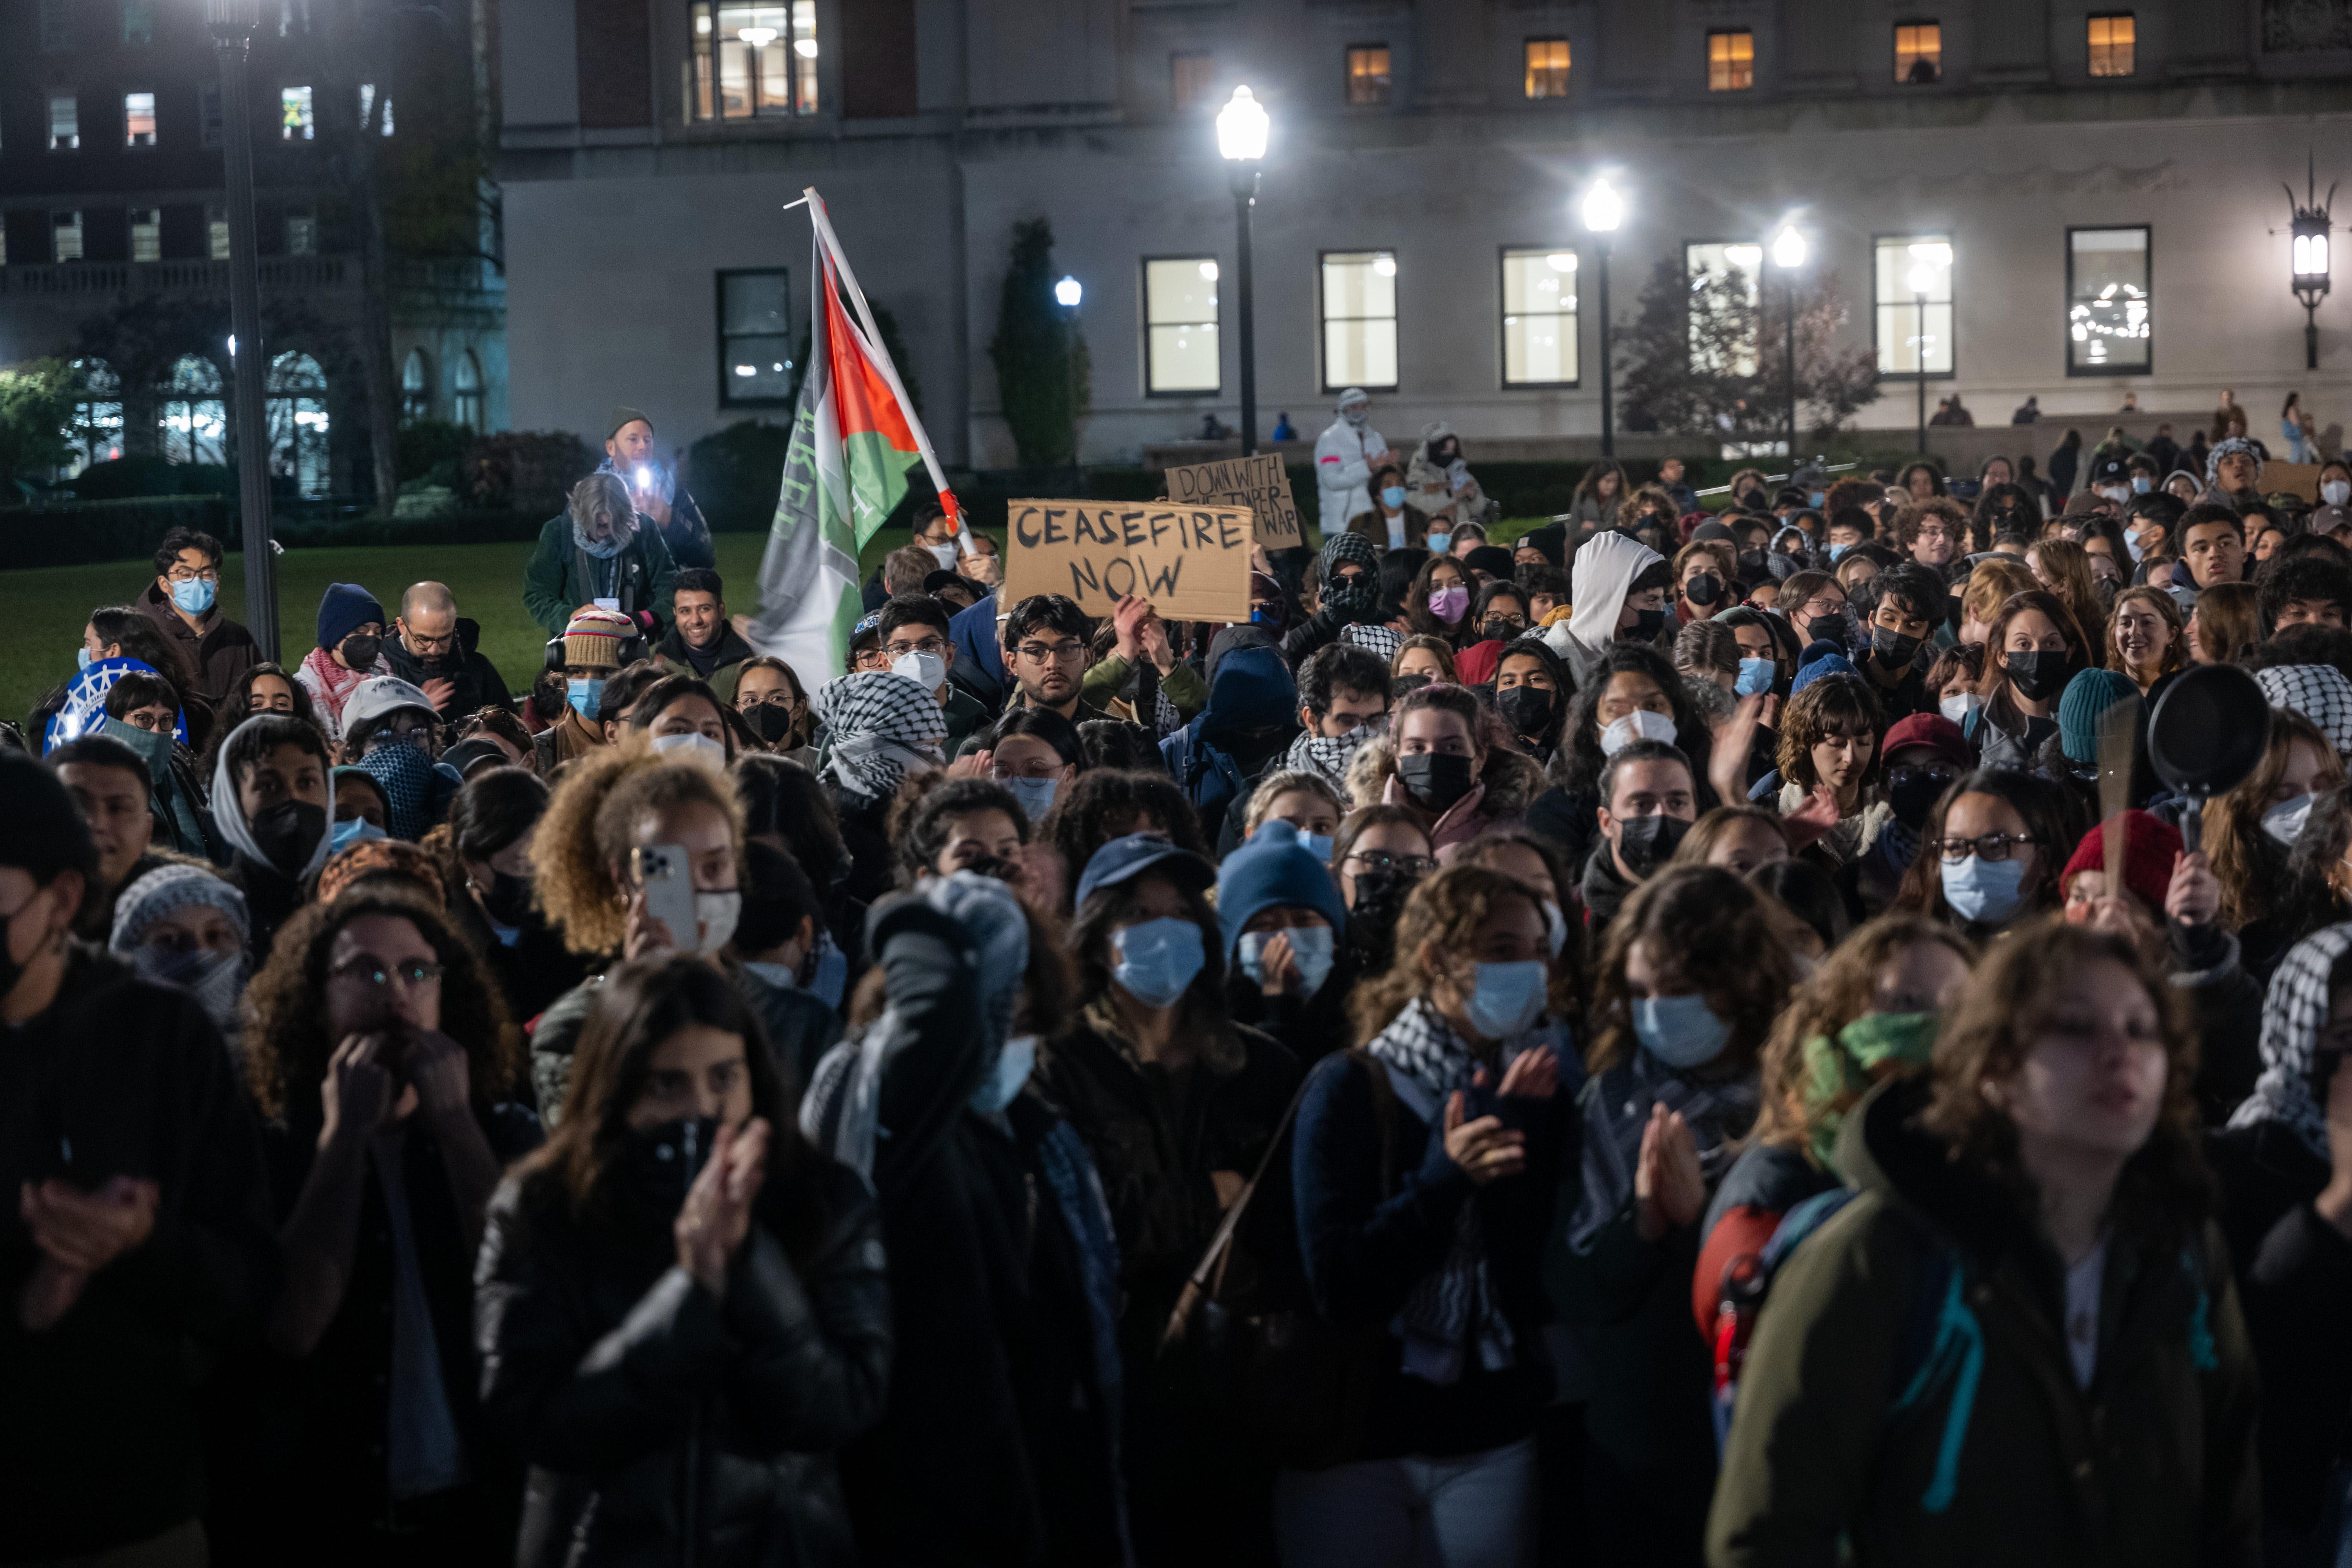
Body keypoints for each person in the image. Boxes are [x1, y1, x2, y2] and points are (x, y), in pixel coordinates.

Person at [1708, 919, 2258, 1568]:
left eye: (2143, 1029)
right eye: (2075, 1027)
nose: (2121, 1053)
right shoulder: (1876, 1258)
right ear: (1993, 1068)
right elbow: (1769, 1532)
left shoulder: (2184, 1251)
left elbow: (2229, 1513)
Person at [476, 953, 885, 1567]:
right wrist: (689, 1297)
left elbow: (840, 1405)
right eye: (667, 1085)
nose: (702, 1109)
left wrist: (750, 1264)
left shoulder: (823, 1202)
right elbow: (533, 1416)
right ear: (617, 1090)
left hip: (780, 1543)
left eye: (724, 1079)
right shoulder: (545, 1209)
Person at [798, 872, 1130, 1566]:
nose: (1000, 1043)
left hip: (1035, 1488)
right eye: (989, 1017)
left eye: (1018, 1024)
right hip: (918, 1505)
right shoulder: (886, 1116)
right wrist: (919, 922)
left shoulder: (1036, 1136)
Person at [0, 754, 277, 1568]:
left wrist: (141, 1246)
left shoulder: (157, 1038)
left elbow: (250, 1285)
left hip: (125, 1514)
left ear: (61, 900)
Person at [1280, 864, 1568, 1567]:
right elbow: (1340, 1285)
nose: (1528, 971)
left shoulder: (1535, 1088)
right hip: (1355, 1435)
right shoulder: (1351, 1087)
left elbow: (1530, 1283)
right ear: (1437, 959)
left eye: (1537, 952)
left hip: (1490, 1432)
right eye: (1503, 951)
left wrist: (1517, 1135)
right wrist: (1446, 1181)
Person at [242, 884, 534, 1559]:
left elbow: (529, 1296)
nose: (395, 994)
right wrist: (344, 1140)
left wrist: (458, 1127)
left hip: (485, 1506)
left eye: (416, 972)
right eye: (364, 972)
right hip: (335, 1512)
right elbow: (294, 1325)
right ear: (317, 998)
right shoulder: (273, 1148)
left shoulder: (505, 1131)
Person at [1048, 835, 1301, 1563]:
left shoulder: (1261, 1068)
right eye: (1137, 913)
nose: (1163, 929)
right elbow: (1080, 1225)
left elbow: (1281, 1223)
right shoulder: (1057, 1064)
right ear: (1097, 938)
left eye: (1179, 912)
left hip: (1240, 1384)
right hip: (1110, 1384)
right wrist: (1206, 1198)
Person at [1556, 865, 1793, 1566]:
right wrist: (1646, 1227)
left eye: (1681, 991)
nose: (1658, 1011)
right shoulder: (1609, 1103)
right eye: (1640, 994)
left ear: (1742, 981)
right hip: (1640, 1445)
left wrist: (1706, 1230)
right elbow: (1573, 1286)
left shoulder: (1797, 1102)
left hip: (1766, 1435)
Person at [1696, 915, 1976, 1337]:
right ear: (1840, 1018)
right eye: (1906, 1003)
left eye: (1958, 1008)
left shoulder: (1981, 1157)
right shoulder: (1775, 1183)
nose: (1933, 1025)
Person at [437, 764, 588, 1023]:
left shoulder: (576, 927)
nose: (533, 876)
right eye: (519, 865)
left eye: (542, 861)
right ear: (471, 862)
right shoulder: (446, 940)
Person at [1893, 766, 2087, 940]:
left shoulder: (2073, 955)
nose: (1972, 862)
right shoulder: (1917, 950)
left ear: (2043, 858)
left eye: (1996, 845)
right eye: (1955, 847)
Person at [1160, 635, 1300, 853]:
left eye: (1270, 731)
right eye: (1246, 731)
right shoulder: (1178, 753)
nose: (1258, 738)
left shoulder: (1305, 756)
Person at [524, 471, 681, 641]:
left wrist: (642, 619)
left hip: (633, 648)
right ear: (578, 515)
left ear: (626, 516)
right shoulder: (558, 532)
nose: (600, 532)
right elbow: (537, 595)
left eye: (608, 525)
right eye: (593, 524)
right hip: (575, 649)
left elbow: (670, 588)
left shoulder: (644, 530)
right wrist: (571, 616)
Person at [1969, 589, 2091, 774]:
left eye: (2051, 644)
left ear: (2069, 652)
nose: (2037, 654)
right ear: (2002, 655)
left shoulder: (2088, 721)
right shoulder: (1975, 724)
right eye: (2024, 644)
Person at [136, 525, 259, 704]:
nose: (197, 581)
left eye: (207, 574)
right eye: (185, 574)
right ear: (164, 584)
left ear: (217, 583)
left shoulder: (239, 639)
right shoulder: (145, 639)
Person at [598, 405, 714, 570]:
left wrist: (670, 520)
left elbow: (705, 556)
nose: (643, 447)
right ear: (611, 447)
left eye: (648, 440)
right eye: (633, 439)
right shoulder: (592, 497)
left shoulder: (675, 495)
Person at [1546, 530, 1670, 684]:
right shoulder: (1546, 668)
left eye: (1661, 600)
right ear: (1611, 601)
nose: (1661, 610)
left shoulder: (1648, 663)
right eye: (1652, 600)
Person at [381, 581, 513, 719]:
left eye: (445, 638)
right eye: (424, 640)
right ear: (402, 626)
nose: (435, 650)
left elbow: (512, 728)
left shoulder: (477, 666)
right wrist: (418, 710)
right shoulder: (380, 670)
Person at [1286, 642, 1392, 795]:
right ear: (1312, 720)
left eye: (1374, 721)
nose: (1362, 733)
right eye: (1347, 722)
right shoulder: (1270, 796)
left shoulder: (1403, 788)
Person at [296, 582, 394, 744]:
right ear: (334, 637)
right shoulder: (307, 688)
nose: (370, 638)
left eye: (377, 632)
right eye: (360, 632)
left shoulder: (384, 671)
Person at [1000, 593, 1113, 725]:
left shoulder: (1127, 741)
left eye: (1067, 649)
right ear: (1013, 663)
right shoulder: (987, 744)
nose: (1053, 664)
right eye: (1036, 651)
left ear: (1087, 657)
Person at [653, 565, 757, 699]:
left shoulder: (750, 663)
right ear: (676, 615)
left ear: (721, 611)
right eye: (685, 611)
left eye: (704, 609)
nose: (695, 620)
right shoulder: (653, 661)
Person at [1316, 387, 1390, 537]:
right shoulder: (1329, 438)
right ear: (1343, 409)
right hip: (1340, 526)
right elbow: (1332, 480)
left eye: (1363, 406)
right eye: (1354, 407)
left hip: (1373, 522)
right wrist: (1367, 468)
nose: (1360, 411)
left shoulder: (1375, 438)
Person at [1406, 421, 1492, 527]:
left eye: (1452, 450)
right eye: (1445, 450)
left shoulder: (1461, 473)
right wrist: (1450, 495)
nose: (1449, 455)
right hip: (1433, 533)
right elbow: (1415, 503)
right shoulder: (1418, 476)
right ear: (1434, 450)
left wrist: (1472, 497)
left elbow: (1478, 509)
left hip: (1461, 532)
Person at [2111, 584, 2187, 702]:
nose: (2134, 632)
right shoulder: (2105, 691)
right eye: (2125, 623)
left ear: (2171, 635)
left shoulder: (2188, 687)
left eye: (2147, 623)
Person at [1351, 459, 1434, 552]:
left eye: (1399, 484)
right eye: (1388, 485)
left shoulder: (1421, 519)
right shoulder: (1361, 523)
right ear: (1377, 494)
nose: (1395, 488)